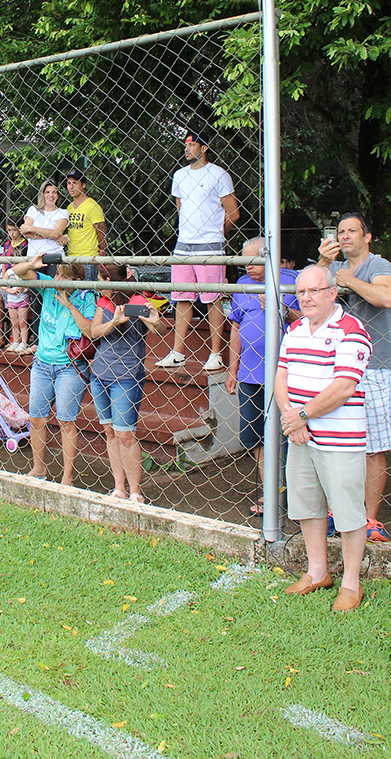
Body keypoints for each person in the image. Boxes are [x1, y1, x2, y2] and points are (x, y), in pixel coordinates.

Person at [275, 265, 371, 612]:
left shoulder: (351, 331)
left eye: (314, 291)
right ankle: (318, 573)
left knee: (347, 512)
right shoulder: (296, 329)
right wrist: (292, 418)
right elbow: (281, 375)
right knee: (306, 506)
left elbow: (343, 387)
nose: (306, 298)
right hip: (301, 435)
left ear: (332, 292)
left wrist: (301, 416)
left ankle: (351, 583)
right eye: (301, 292)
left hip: (338, 439)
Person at [319, 212, 391, 543]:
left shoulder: (378, 265)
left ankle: (370, 518)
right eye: (341, 232)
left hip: (375, 368)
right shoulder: (331, 266)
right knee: (337, 443)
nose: (345, 236)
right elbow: (308, 297)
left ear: (368, 237)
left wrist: (349, 281)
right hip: (335, 368)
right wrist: (323, 261)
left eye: (352, 231)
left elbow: (385, 297)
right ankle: (339, 512)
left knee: (373, 446)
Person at [225, 237, 300, 515]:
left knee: (291, 434)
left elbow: (308, 318)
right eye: (245, 261)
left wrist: (281, 309)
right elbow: (235, 329)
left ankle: (295, 492)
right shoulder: (242, 286)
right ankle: (271, 491)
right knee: (255, 437)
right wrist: (233, 369)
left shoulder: (293, 280)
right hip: (250, 374)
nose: (248, 267)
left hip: (287, 375)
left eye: (254, 261)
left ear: (270, 256)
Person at [157, 130, 240, 372]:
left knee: (212, 298)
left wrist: (216, 234)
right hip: (183, 245)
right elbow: (181, 210)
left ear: (204, 148)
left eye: (191, 144)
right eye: (185, 145)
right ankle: (177, 352)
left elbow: (233, 214)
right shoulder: (179, 176)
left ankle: (216, 354)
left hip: (211, 246)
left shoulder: (218, 174)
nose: (186, 148)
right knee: (182, 298)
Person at [12, 253, 96, 485]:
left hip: (70, 367)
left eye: (63, 276)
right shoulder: (48, 289)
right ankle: (39, 468)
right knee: (37, 418)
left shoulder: (87, 297)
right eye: (57, 273)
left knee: (66, 422)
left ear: (76, 280)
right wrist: (31, 264)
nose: (57, 279)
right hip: (42, 364)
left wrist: (69, 304)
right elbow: (17, 272)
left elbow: (88, 330)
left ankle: (67, 477)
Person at [89, 264, 165, 503]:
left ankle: (135, 492)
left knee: (126, 434)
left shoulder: (137, 300)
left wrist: (154, 319)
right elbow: (93, 332)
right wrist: (114, 322)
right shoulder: (104, 302)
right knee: (110, 432)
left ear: (111, 279)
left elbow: (159, 330)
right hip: (100, 374)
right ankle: (118, 487)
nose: (99, 284)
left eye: (102, 279)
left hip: (127, 375)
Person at [64, 167, 107, 281]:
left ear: (83, 185)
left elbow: (101, 230)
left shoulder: (92, 205)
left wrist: (102, 250)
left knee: (87, 293)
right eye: (69, 183)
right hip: (71, 259)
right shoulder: (69, 208)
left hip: (88, 259)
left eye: (75, 183)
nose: (71, 186)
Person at [21, 180, 70, 257]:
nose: (51, 195)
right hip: (34, 257)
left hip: (54, 255)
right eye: (47, 192)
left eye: (54, 192)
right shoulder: (33, 210)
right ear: (42, 194)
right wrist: (53, 237)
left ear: (57, 195)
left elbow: (56, 233)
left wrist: (32, 229)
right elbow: (27, 233)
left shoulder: (63, 212)